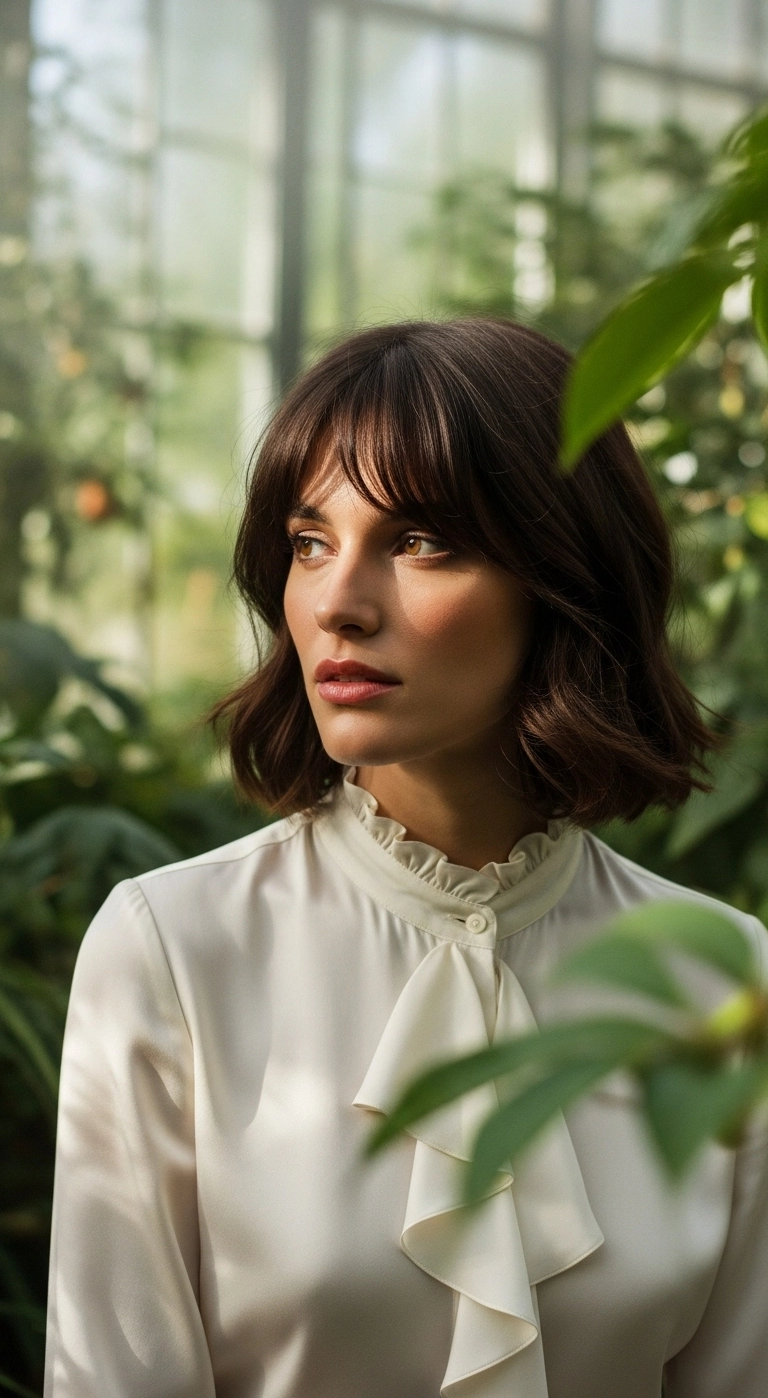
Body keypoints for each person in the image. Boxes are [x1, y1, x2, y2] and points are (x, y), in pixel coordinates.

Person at [44, 319, 768, 1398]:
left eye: (420, 540)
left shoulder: (723, 980)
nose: (338, 603)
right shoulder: (172, 952)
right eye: (309, 542)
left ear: (562, 576)